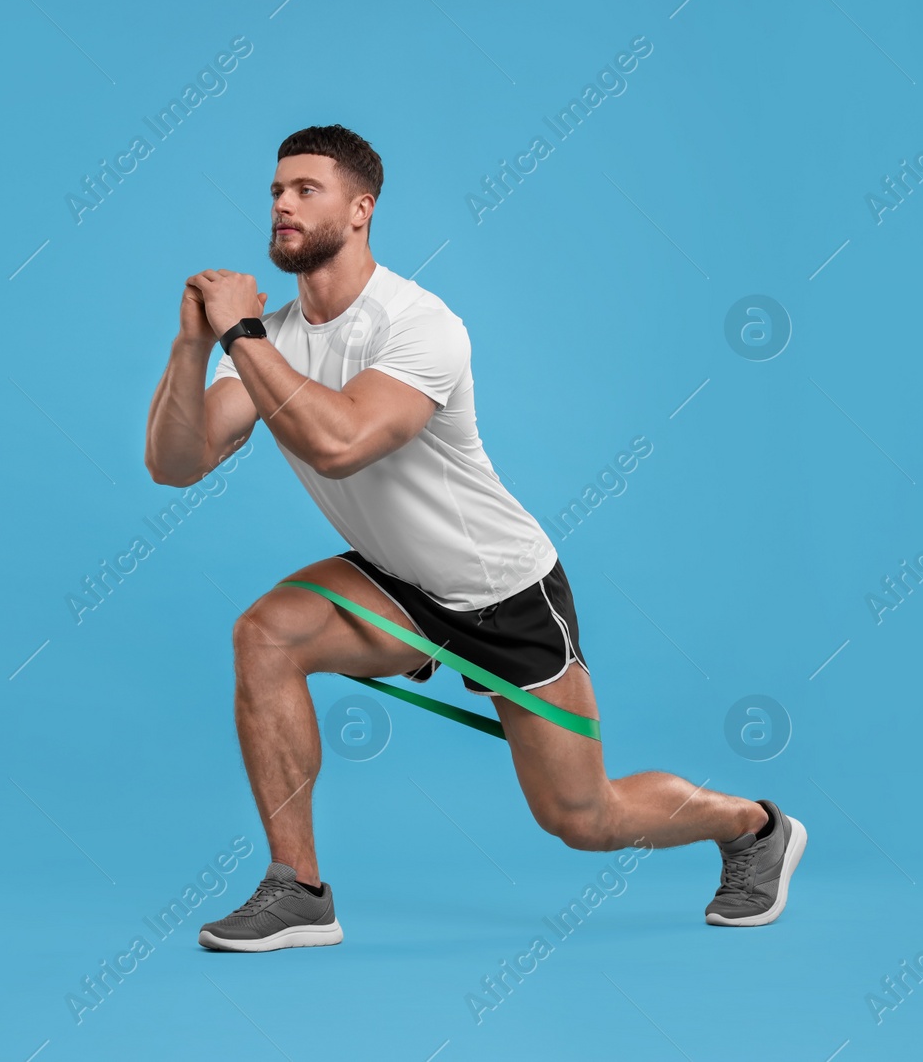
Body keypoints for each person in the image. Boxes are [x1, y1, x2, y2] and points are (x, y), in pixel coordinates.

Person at [142, 124, 806, 953]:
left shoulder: (420, 324)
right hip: (397, 585)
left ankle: (754, 827)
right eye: (275, 189)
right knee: (264, 634)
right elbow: (177, 463)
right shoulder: (269, 338)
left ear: (360, 210)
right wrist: (191, 347)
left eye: (305, 189)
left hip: (503, 592)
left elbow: (341, 442)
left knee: (582, 817)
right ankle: (299, 890)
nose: (281, 203)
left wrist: (241, 336)